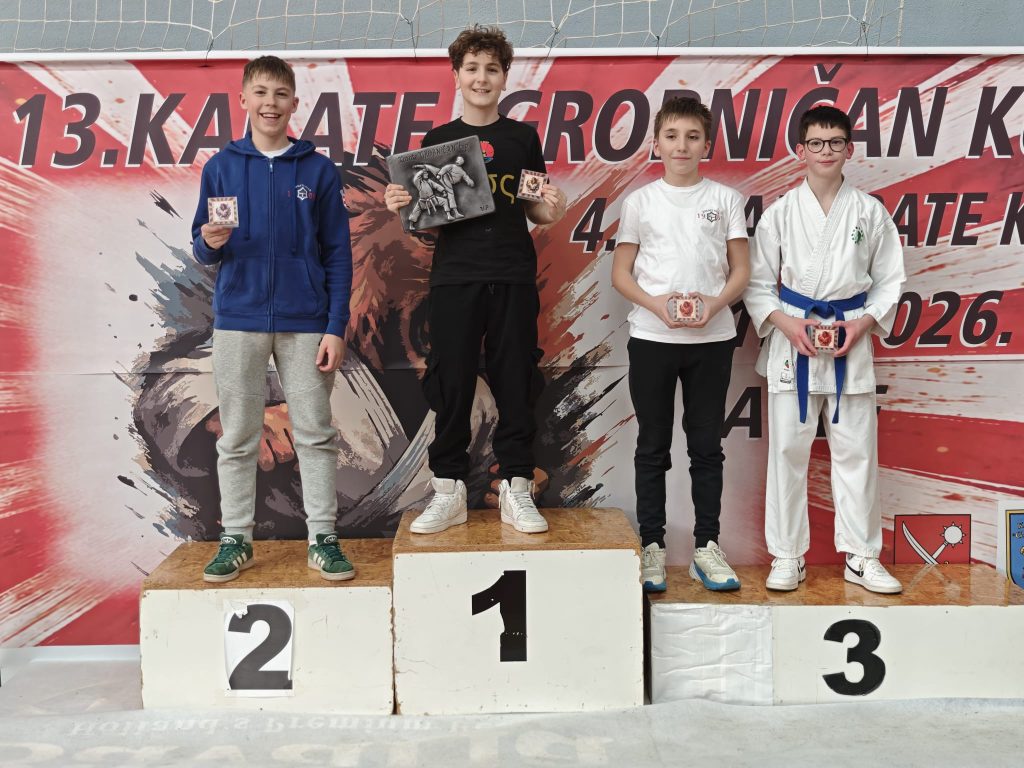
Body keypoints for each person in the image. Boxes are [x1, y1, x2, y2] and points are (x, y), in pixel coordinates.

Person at [383, 25, 567, 534]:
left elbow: (535, 207)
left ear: (505, 77)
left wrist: (553, 207)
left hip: (512, 274)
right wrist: (401, 206)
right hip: (455, 277)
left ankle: (516, 486)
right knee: (451, 381)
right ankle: (448, 489)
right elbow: (426, 221)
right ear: (456, 76)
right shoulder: (437, 142)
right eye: (472, 69)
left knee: (515, 379)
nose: (481, 78)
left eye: (491, 69)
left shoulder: (522, 138)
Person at [190, 55, 355, 582]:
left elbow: (338, 254)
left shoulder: (318, 170)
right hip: (238, 319)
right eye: (260, 93)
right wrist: (209, 241)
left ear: (294, 103)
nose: (270, 103)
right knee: (238, 435)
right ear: (243, 100)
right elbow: (203, 247)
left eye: (280, 94)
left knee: (315, 432)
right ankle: (236, 539)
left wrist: (335, 326)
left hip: (307, 321)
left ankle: (323, 538)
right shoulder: (220, 168)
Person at [743, 105, 906, 594]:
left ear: (849, 149)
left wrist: (861, 325)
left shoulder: (869, 212)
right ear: (801, 150)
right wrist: (787, 324)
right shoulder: (780, 213)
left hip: (849, 341)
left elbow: (890, 281)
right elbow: (756, 284)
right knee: (787, 454)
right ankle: (786, 556)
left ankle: (861, 556)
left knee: (856, 453)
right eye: (816, 143)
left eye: (835, 142)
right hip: (793, 341)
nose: (826, 151)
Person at [611, 97, 750, 592]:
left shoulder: (726, 199)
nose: (681, 146)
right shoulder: (640, 202)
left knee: (706, 446)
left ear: (706, 143)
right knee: (652, 445)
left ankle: (706, 547)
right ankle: (652, 545)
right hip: (652, 339)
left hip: (712, 340)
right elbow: (621, 274)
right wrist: (656, 305)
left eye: (692, 136)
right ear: (656, 143)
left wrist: (715, 304)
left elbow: (741, 271)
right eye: (671, 136)